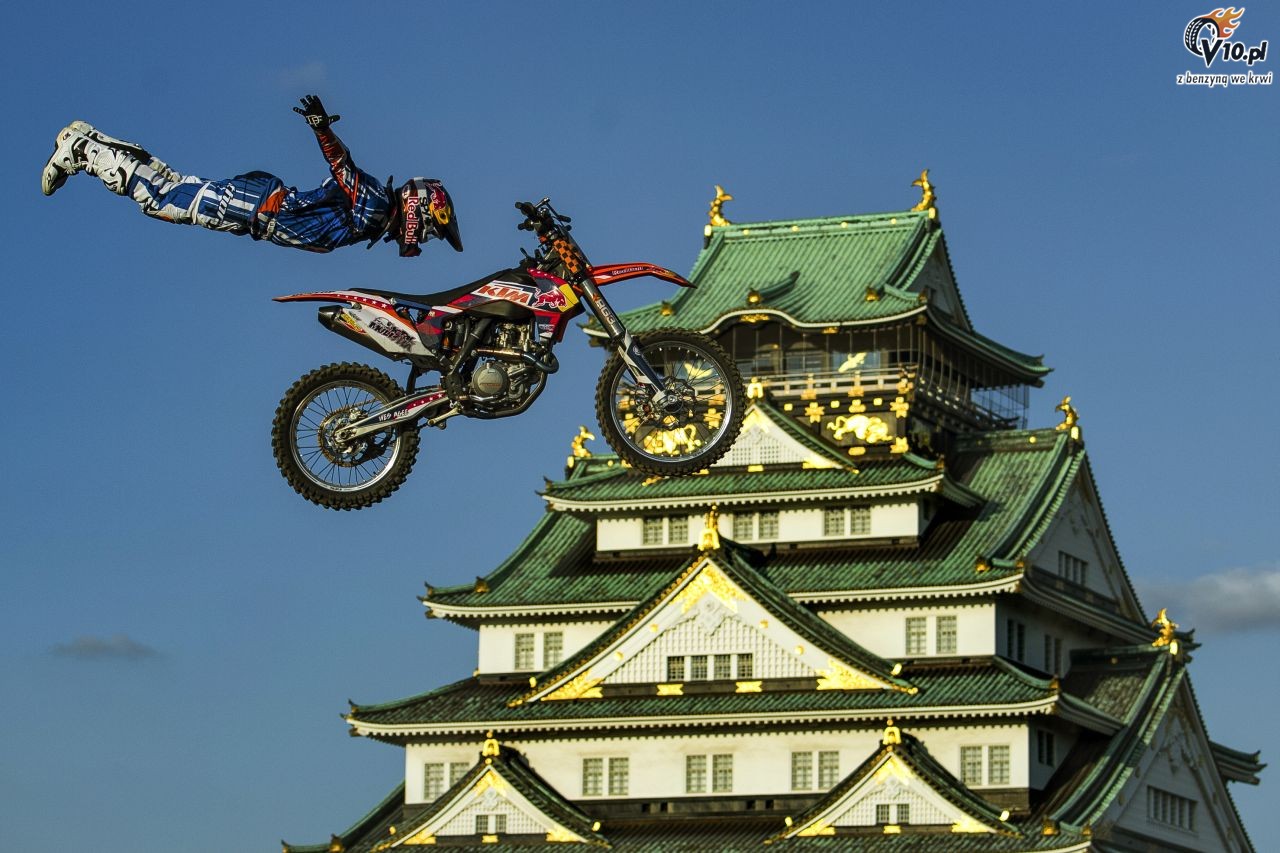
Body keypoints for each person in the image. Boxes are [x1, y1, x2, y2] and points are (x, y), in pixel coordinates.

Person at [40, 95, 462, 258]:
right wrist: (322, 130)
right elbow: (343, 167)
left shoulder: (375, 214)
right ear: (419, 207)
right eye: (431, 227)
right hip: (258, 208)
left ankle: (94, 141)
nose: (424, 236)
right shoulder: (376, 205)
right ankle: (85, 150)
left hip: (259, 208)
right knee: (161, 200)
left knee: (170, 185)